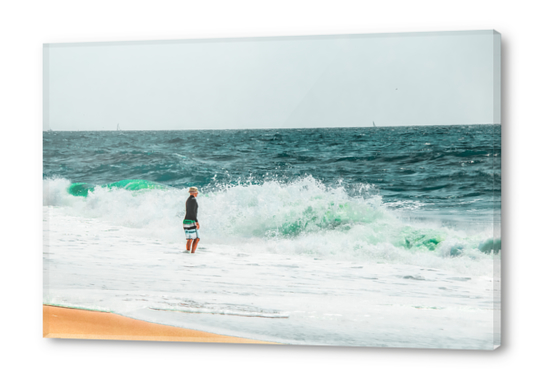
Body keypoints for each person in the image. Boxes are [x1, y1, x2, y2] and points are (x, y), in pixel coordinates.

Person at [183, 187, 200, 254]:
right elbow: (192, 212)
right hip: (191, 221)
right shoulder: (193, 200)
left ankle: (187, 252)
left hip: (186, 220)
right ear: (193, 193)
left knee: (189, 239)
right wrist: (196, 222)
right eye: (196, 192)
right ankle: (192, 253)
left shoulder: (188, 200)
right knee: (197, 238)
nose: (197, 193)